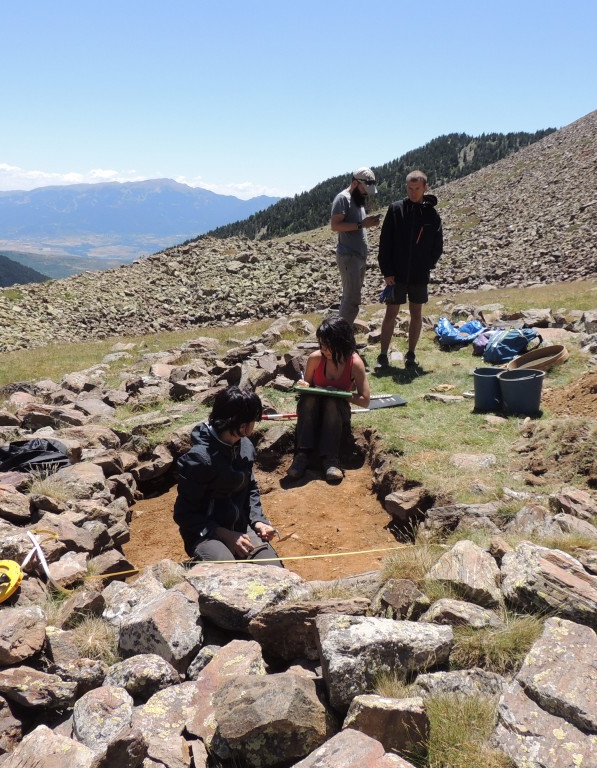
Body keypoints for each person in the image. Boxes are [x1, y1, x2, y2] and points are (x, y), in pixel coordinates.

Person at [173, 386, 281, 566]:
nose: (255, 424)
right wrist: (226, 535)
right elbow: (184, 515)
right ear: (241, 425)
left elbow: (251, 489)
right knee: (227, 568)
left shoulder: (245, 446)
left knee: (273, 569)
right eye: (254, 420)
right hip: (206, 533)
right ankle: (195, 568)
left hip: (241, 527)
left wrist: (258, 521)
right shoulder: (199, 459)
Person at [286, 316, 370, 483]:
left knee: (332, 402)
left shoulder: (355, 363)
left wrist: (340, 393)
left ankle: (331, 459)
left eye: (328, 345)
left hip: (338, 414)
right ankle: (302, 455)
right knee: (309, 398)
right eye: (321, 344)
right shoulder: (316, 358)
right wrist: (303, 384)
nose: (324, 349)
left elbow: (365, 400)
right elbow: (306, 386)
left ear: (341, 342)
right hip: (313, 413)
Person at [377, 170, 444, 369]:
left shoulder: (431, 214)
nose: (413, 192)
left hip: (418, 274)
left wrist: (427, 264)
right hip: (395, 275)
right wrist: (387, 271)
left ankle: (411, 355)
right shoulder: (396, 209)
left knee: (416, 313)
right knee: (391, 313)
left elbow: (437, 245)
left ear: (425, 187)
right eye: (409, 189)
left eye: (417, 189)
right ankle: (382, 356)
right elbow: (385, 242)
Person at [331, 167, 382, 325]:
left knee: (352, 297)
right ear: (355, 183)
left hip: (358, 256)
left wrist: (367, 224)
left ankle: (342, 335)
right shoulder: (342, 198)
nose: (366, 194)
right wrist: (361, 225)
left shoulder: (357, 199)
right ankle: (340, 337)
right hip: (349, 256)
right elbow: (335, 226)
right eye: (364, 190)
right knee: (351, 299)